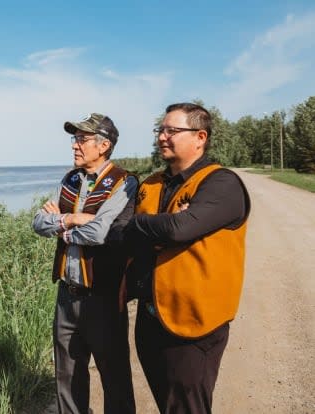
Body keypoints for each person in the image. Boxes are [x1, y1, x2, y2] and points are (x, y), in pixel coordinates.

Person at [124, 102, 251, 414]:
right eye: (160, 130)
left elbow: (180, 229)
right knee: (167, 402)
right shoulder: (152, 183)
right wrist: (161, 227)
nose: (162, 137)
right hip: (151, 318)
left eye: (172, 131)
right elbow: (124, 235)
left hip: (196, 322)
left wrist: (145, 225)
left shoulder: (222, 183)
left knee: (188, 406)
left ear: (200, 137)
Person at [32, 113, 137, 414]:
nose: (75, 145)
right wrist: (72, 218)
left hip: (103, 296)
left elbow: (99, 232)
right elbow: (38, 223)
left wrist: (60, 225)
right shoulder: (71, 179)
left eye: (82, 139)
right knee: (66, 375)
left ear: (103, 145)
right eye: (74, 139)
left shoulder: (123, 182)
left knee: (114, 377)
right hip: (67, 294)